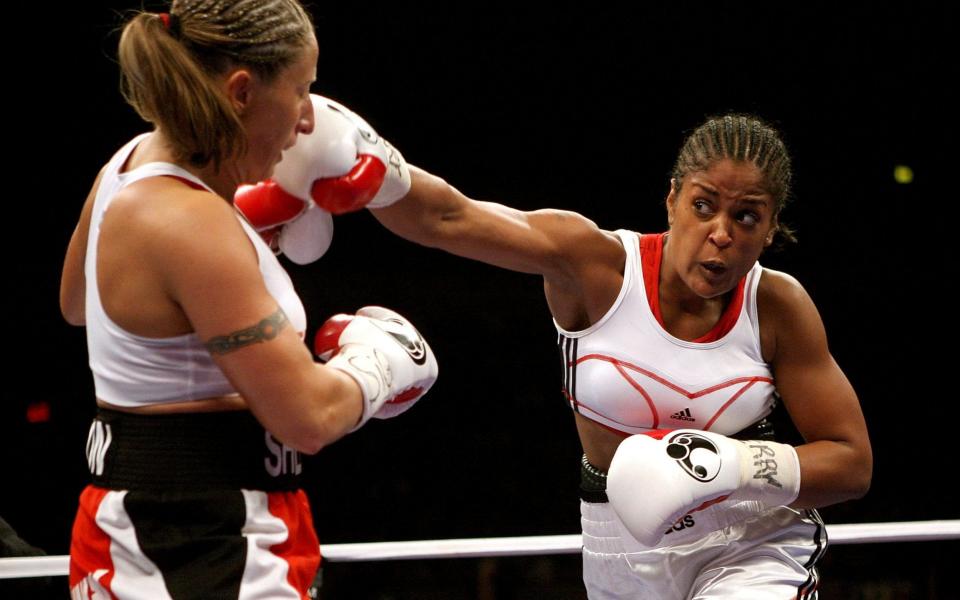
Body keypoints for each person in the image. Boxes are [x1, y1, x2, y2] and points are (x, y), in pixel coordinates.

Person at [247, 108, 872, 598]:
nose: (721, 233)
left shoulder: (780, 306)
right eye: (704, 205)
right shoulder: (593, 267)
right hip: (617, 546)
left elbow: (851, 464)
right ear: (673, 198)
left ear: (770, 227)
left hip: (750, 540)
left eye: (746, 217)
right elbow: (450, 219)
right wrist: (375, 165)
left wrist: (732, 466)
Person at [59, 2, 436, 598]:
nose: (309, 118)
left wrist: (232, 248)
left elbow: (79, 304)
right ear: (241, 92)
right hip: (200, 541)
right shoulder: (189, 222)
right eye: (301, 90)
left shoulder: (126, 165)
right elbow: (308, 417)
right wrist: (380, 363)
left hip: (155, 524)